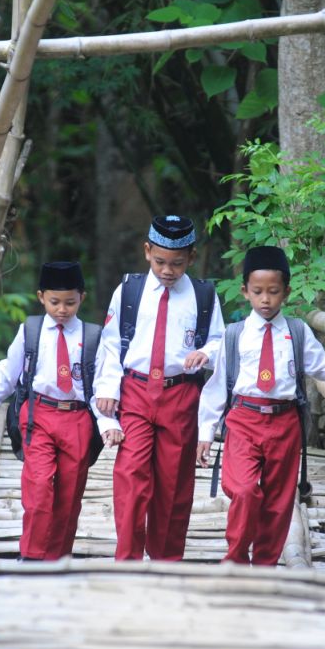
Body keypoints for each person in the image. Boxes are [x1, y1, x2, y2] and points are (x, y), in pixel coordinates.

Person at [196, 246, 325, 566]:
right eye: (257, 292)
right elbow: (216, 389)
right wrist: (205, 431)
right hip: (244, 419)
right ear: (245, 292)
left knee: (279, 502)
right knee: (243, 490)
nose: (265, 299)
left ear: (286, 291)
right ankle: (236, 559)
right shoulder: (234, 335)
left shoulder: (297, 332)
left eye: (273, 291)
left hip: (285, 424)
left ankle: (266, 565)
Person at [95, 215, 224, 561]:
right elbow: (110, 344)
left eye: (177, 264)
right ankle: (128, 558)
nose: (168, 270)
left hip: (180, 395)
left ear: (192, 258)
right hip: (136, 390)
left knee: (173, 483)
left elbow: (218, 343)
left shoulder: (203, 295)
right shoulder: (129, 290)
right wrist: (107, 388)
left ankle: (167, 562)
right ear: (147, 251)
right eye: (160, 262)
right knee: (131, 475)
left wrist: (206, 353)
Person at [0, 261, 110, 560]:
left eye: (70, 302)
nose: (62, 309)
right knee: (38, 488)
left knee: (69, 495)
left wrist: (107, 423)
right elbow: (7, 376)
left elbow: (102, 386)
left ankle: (57, 559)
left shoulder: (91, 337)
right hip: (39, 415)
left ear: (82, 299)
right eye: (54, 302)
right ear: (40, 297)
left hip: (78, 419)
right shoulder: (30, 330)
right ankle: (32, 557)